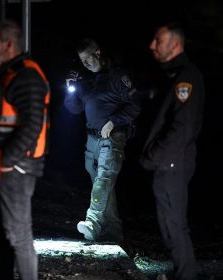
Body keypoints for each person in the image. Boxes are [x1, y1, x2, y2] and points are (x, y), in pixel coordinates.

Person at [0, 20, 50, 280]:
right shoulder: (12, 73)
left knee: (18, 234)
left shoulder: (26, 75)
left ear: (8, 44)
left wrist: (5, 161)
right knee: (5, 232)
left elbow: (33, 123)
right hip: (9, 167)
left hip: (16, 169)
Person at [140, 23, 204, 280]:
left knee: (173, 226)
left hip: (172, 164)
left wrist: (154, 157)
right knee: (171, 225)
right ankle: (184, 273)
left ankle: (186, 274)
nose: (152, 45)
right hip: (171, 163)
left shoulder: (185, 77)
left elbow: (182, 129)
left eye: (158, 40)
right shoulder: (174, 75)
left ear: (175, 44)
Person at [64, 38, 140, 242]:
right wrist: (70, 88)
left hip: (112, 137)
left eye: (88, 58)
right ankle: (113, 230)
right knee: (102, 184)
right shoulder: (86, 80)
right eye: (82, 60)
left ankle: (93, 221)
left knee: (104, 180)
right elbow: (74, 108)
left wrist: (113, 122)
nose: (86, 63)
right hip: (92, 139)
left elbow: (135, 106)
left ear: (98, 53)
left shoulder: (118, 77)